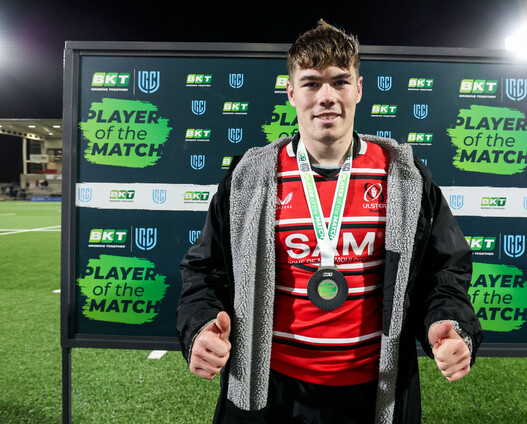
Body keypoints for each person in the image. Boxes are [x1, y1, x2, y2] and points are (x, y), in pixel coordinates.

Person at [177, 19, 483, 424]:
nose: (327, 97)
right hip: (270, 391)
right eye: (311, 83)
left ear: (358, 89)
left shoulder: (405, 178)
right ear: (291, 92)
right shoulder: (250, 178)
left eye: (340, 82)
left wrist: (447, 321)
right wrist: (200, 326)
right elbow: (205, 271)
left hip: (373, 393)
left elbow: (444, 272)